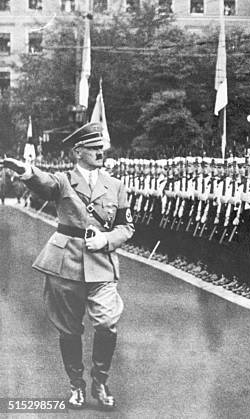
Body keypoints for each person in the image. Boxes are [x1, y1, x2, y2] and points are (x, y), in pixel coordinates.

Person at [3, 122, 134, 410]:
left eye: (101, 148)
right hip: (66, 263)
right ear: (78, 152)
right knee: (69, 329)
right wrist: (24, 171)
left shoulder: (116, 185)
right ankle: (76, 385)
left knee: (107, 323)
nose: (100, 152)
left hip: (102, 262)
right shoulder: (63, 181)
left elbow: (126, 227)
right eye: (93, 148)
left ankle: (100, 381)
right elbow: (43, 182)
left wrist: (107, 239)